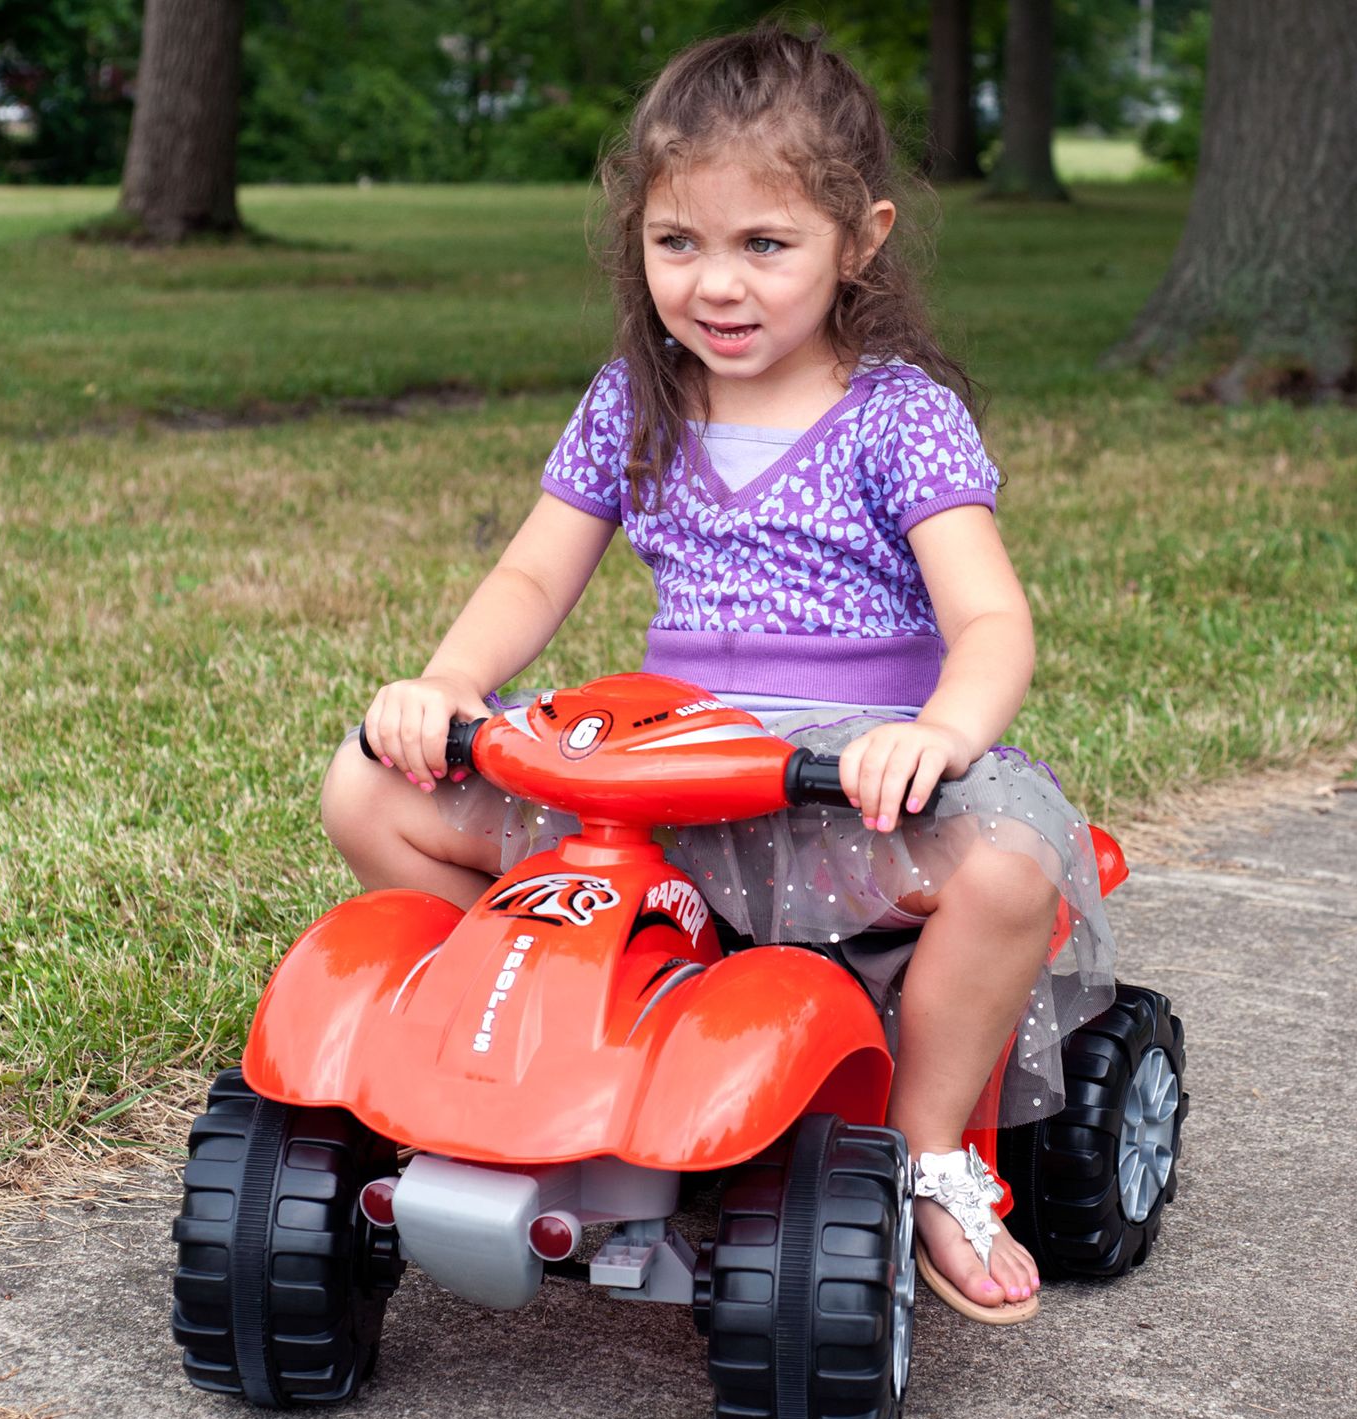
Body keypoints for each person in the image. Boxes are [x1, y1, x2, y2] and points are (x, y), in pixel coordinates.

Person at [321, 26, 1114, 1325]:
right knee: (368, 789)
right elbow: (533, 578)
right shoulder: (635, 399)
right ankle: (543, 1055)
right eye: (678, 242)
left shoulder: (894, 413)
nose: (716, 286)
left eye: (766, 244)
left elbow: (992, 621)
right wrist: (447, 682)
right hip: (669, 765)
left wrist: (941, 736)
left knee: (1014, 872)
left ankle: (921, 1156)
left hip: (843, 780)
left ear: (859, 240)